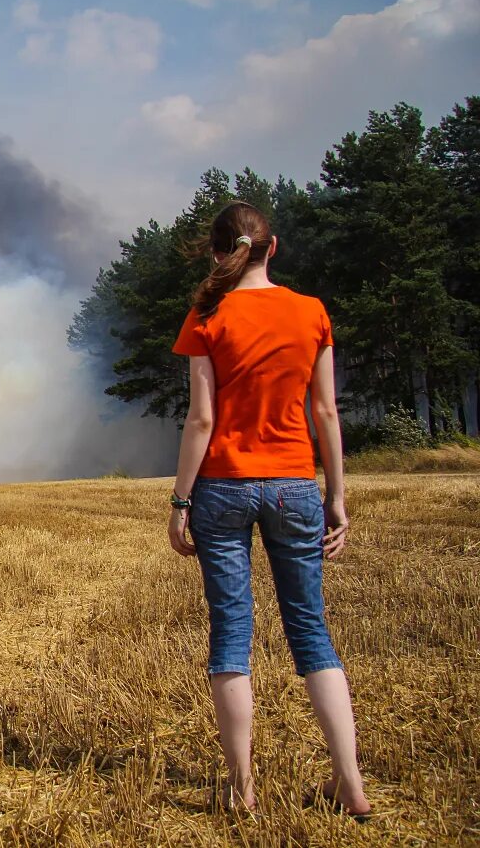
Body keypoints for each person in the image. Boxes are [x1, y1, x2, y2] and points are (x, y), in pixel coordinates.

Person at [167, 201, 371, 819]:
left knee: (232, 635)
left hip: (223, 488)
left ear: (215, 250)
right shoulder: (310, 312)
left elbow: (202, 419)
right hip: (294, 486)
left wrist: (180, 499)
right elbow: (327, 413)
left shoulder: (207, 312)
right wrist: (335, 496)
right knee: (312, 632)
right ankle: (350, 783)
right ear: (272, 246)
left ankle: (242, 789)